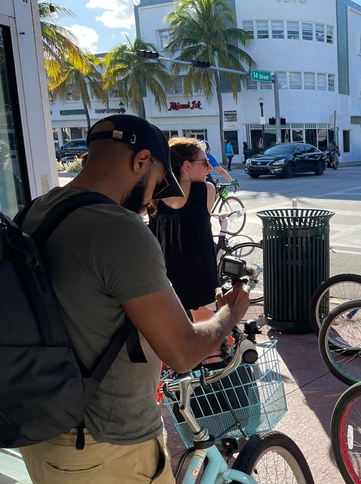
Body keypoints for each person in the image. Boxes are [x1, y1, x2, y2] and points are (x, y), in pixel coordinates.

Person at [17, 114, 250, 484]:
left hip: (44, 436)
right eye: (156, 183)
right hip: (108, 448)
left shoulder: (33, 212)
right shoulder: (116, 228)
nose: (149, 203)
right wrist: (229, 314)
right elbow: (183, 351)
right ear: (141, 160)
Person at [149, 138, 220, 322]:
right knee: (211, 338)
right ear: (186, 165)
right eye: (205, 163)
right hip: (202, 282)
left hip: (166, 284)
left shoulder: (153, 197)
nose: (209, 168)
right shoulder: (206, 190)